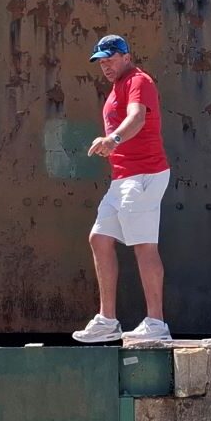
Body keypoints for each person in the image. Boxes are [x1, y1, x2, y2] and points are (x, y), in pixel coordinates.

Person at [73, 35, 172, 343]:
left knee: (144, 246)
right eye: (101, 62)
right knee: (99, 239)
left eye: (110, 60)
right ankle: (107, 321)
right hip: (123, 179)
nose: (106, 66)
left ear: (126, 56)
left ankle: (156, 323)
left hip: (144, 176)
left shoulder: (139, 81)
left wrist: (112, 140)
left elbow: (137, 117)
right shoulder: (118, 85)